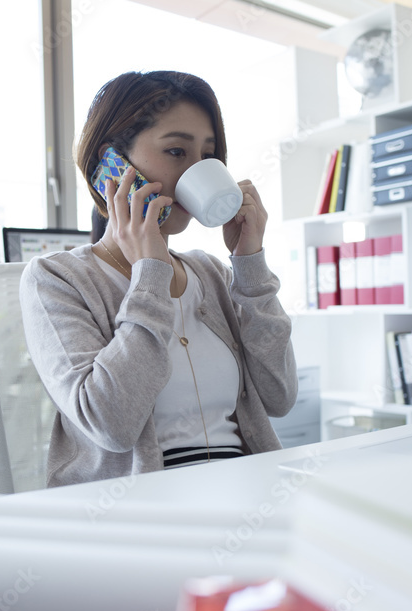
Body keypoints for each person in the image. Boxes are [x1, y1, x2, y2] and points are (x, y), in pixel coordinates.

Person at [20, 71, 298, 488]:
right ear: (111, 165)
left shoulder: (213, 274)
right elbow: (111, 425)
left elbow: (280, 398)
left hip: (246, 498)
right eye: (175, 151)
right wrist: (150, 273)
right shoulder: (56, 278)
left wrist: (250, 264)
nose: (196, 171)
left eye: (208, 157)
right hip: (139, 516)